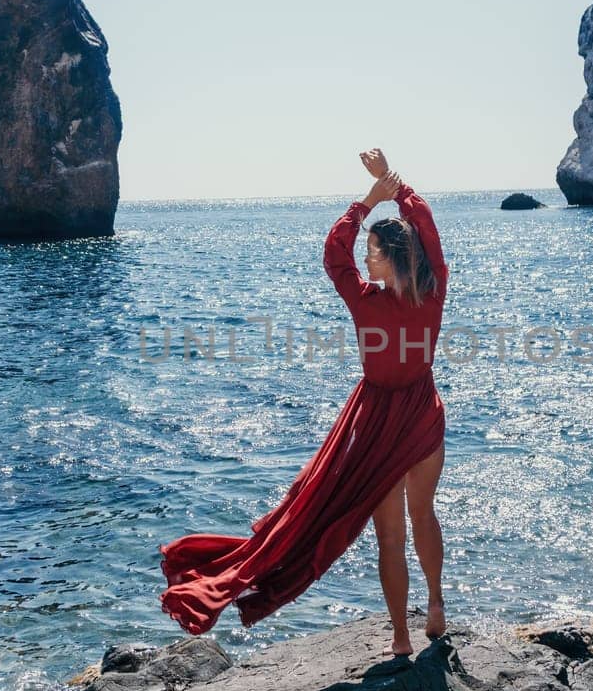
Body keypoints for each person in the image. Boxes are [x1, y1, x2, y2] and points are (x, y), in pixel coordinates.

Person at [158, 148, 449, 655]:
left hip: (380, 421)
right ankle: (437, 604)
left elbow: (333, 253)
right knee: (423, 515)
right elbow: (424, 224)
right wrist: (392, 184)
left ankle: (402, 637)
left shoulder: (365, 299)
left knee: (390, 536)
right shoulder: (433, 290)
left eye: (373, 252)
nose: (364, 258)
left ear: (390, 257)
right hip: (422, 412)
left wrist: (365, 203)